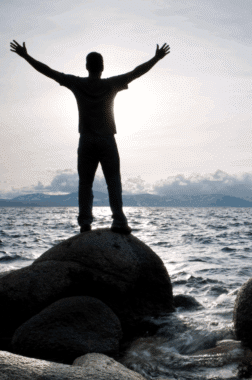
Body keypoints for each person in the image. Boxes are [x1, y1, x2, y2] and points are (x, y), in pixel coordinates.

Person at [10, 39, 170, 234]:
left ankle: (85, 222)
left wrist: (26, 56)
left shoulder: (77, 83)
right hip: (106, 139)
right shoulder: (111, 84)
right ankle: (119, 220)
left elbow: (49, 72)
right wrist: (156, 58)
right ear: (102, 67)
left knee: (85, 183)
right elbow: (137, 72)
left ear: (87, 67)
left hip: (86, 140)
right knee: (113, 181)